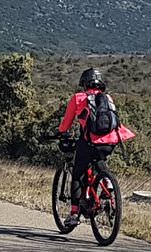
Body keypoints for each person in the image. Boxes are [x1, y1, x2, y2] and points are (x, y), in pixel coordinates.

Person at [56, 67, 135, 226]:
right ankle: (107, 183)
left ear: (84, 84)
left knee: (78, 174)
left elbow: (66, 124)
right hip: (112, 140)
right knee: (99, 159)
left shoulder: (78, 98)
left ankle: (73, 214)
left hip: (90, 140)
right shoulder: (108, 98)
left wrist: (61, 132)